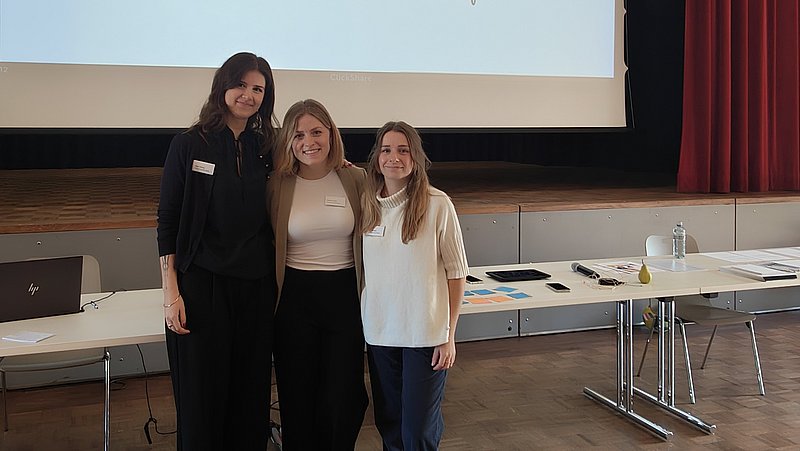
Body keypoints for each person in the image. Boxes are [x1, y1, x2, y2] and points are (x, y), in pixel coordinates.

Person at [156, 52, 278, 450]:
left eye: (258, 88)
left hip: (256, 288)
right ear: (223, 86)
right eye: (241, 85)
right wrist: (170, 292)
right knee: (202, 400)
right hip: (201, 288)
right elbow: (168, 221)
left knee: (250, 394)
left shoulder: (267, 149)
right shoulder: (189, 145)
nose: (249, 95)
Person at [360, 121, 468, 451]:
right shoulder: (366, 204)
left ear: (416, 158)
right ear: (377, 156)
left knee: (417, 431)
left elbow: (457, 272)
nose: (394, 157)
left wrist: (448, 335)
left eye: (403, 150)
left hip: (425, 337)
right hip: (380, 335)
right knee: (390, 426)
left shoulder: (437, 204)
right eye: (387, 149)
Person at [268, 99, 368, 449]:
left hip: (344, 296)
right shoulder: (277, 184)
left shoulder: (355, 178)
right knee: (297, 393)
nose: (308, 141)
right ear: (287, 141)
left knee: (343, 394)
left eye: (316, 131)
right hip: (294, 299)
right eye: (298, 134)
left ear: (331, 134)